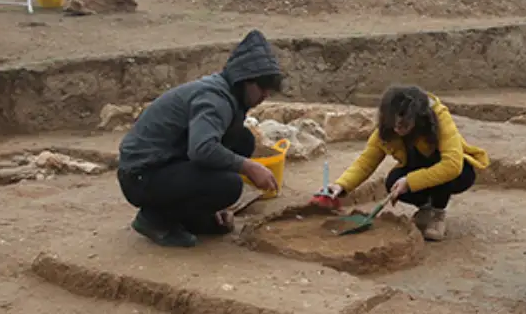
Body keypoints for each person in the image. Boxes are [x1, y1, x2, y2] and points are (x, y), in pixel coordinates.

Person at [116, 29, 284, 248]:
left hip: (164, 163)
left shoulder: (228, 96)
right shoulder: (214, 99)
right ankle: (155, 219)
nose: (265, 96)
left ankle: (193, 216)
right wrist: (248, 167)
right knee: (229, 185)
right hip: (141, 175)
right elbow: (201, 149)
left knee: (242, 140)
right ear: (246, 81)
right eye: (263, 88)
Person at [321, 85, 489, 241]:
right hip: (415, 166)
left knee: (445, 172)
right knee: (393, 181)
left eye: (403, 125)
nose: (397, 129)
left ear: (417, 119)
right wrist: (341, 185)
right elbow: (366, 162)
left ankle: (438, 214)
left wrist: (410, 181)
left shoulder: (439, 118)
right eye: (393, 124)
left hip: (452, 170)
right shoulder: (387, 129)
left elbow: (452, 165)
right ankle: (425, 209)